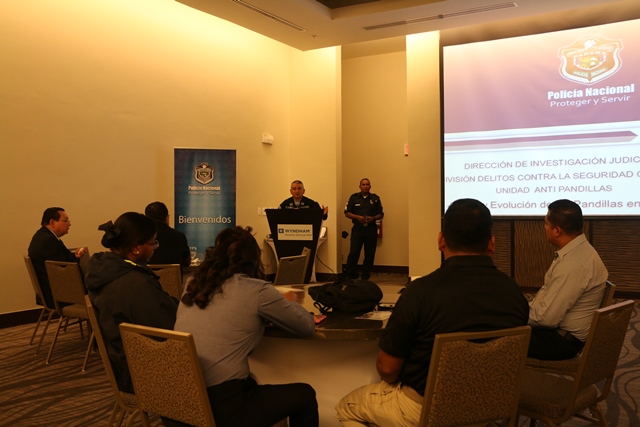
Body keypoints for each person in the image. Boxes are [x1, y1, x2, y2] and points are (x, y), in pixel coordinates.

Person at [335, 198, 529, 427]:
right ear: (492, 243)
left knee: (346, 407)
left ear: (441, 241)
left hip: (425, 410)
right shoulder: (515, 294)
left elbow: (387, 369)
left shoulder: (420, 292)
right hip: (489, 409)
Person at [174, 226, 318, 427]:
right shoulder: (257, 291)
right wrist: (290, 302)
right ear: (253, 259)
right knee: (305, 395)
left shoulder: (193, 283)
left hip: (182, 401)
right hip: (224, 407)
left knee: (252, 382)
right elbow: (306, 326)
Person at [85, 212, 178, 394]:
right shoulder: (136, 283)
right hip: (142, 373)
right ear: (136, 248)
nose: (155, 248)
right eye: (153, 243)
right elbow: (170, 329)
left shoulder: (103, 271)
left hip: (123, 363)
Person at [528, 199, 608, 361]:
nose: (544, 228)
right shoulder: (578, 251)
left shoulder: (574, 264)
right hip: (558, 333)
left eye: (546, 224)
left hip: (560, 341)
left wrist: (514, 316)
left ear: (557, 230)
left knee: (497, 335)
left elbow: (546, 319)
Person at [27, 207, 88, 307]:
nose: (69, 224)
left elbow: (60, 262)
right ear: (52, 222)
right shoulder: (48, 241)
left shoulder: (43, 235)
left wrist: (75, 256)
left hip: (52, 291)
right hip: (59, 295)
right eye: (65, 220)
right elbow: (65, 271)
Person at [343, 178, 384, 280]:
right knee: (354, 252)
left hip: (371, 229)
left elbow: (380, 214)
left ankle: (366, 275)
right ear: (360, 186)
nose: (365, 186)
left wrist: (373, 218)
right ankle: (350, 273)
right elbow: (347, 213)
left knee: (369, 253)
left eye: (367, 184)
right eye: (363, 184)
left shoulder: (375, 199)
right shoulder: (353, 198)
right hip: (358, 229)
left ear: (370, 186)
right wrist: (357, 217)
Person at [145, 201, 191, 268]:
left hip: (146, 275)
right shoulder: (179, 236)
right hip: (173, 275)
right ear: (166, 218)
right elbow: (187, 262)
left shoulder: (141, 237)